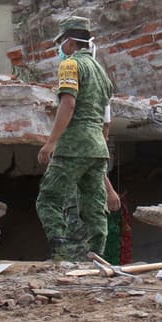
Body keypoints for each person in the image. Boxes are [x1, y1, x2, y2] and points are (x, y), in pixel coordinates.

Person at [35, 16, 119, 261]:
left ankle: (60, 252)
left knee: (48, 199)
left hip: (73, 146)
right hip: (97, 148)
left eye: (61, 43)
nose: (60, 48)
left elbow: (68, 103)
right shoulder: (102, 73)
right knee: (94, 204)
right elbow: (106, 120)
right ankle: (97, 254)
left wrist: (51, 143)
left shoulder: (71, 65)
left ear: (70, 42)